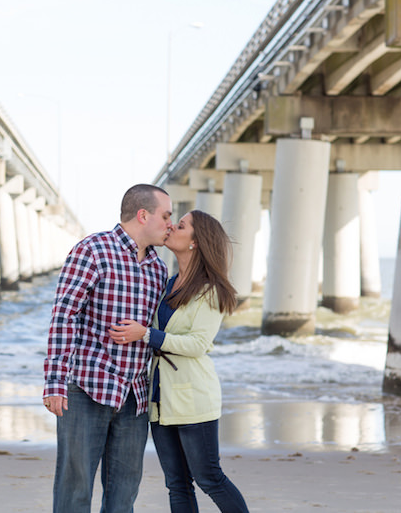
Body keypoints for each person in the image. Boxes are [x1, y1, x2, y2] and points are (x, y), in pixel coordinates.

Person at [43, 184, 173, 513]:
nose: (170, 224)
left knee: (124, 494)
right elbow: (64, 314)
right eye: (166, 215)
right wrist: (55, 381)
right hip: (87, 389)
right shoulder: (93, 250)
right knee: (75, 489)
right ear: (143, 215)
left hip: (134, 398)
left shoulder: (159, 268)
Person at [109, 210, 249, 513]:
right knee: (177, 483)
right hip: (161, 399)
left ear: (195, 242)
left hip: (194, 398)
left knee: (209, 478)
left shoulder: (211, 290)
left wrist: (147, 335)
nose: (172, 226)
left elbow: (198, 344)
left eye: (181, 225)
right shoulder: (167, 282)